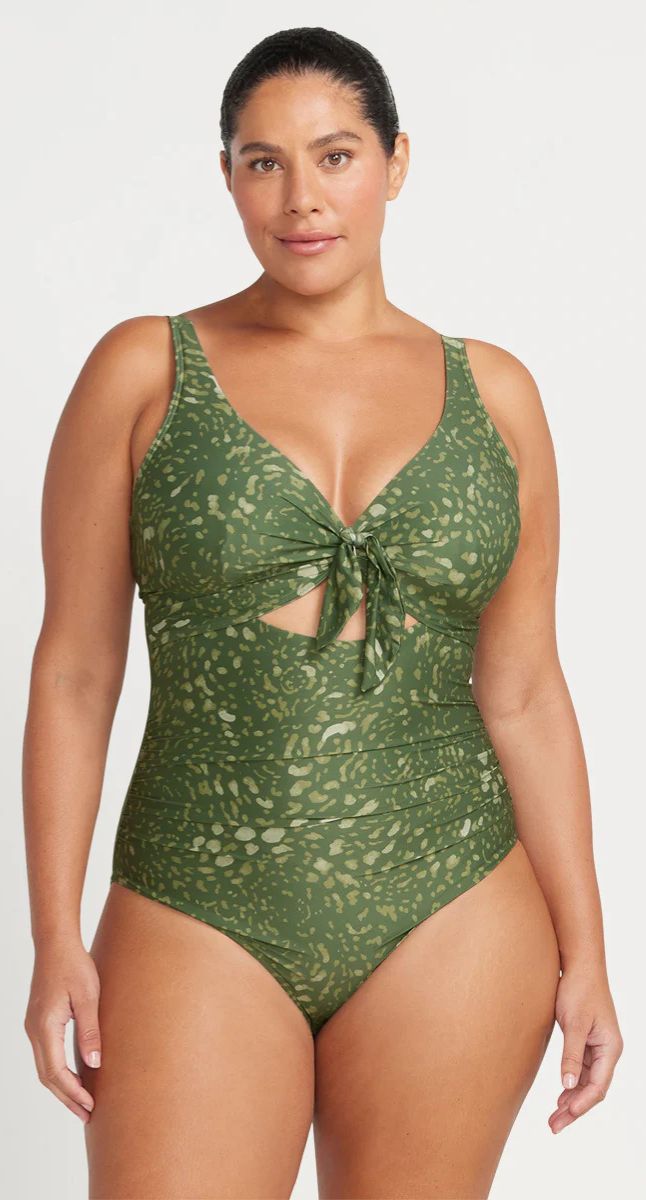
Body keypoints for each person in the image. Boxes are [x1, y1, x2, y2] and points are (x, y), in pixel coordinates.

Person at [22, 25, 623, 1200]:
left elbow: (523, 691)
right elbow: (75, 675)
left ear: (395, 162)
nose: (300, 198)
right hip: (197, 894)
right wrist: (53, 938)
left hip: (456, 900)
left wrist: (590, 952)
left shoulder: (497, 395)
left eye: (335, 156)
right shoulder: (143, 372)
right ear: (227, 177)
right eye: (263, 162)